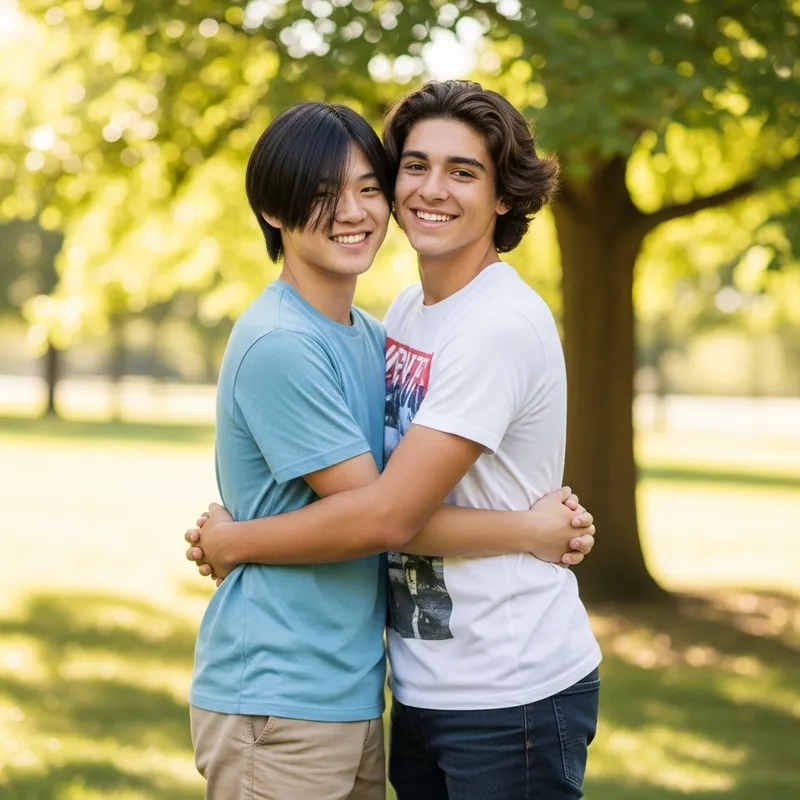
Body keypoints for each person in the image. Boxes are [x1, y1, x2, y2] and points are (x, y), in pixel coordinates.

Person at [187, 96, 595, 800]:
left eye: (463, 172)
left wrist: (240, 539)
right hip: (368, 683)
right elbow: (381, 510)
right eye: (413, 166)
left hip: (503, 682)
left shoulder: (475, 326)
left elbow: (384, 512)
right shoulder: (395, 318)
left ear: (502, 196)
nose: (429, 189)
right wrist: (528, 528)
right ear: (273, 211)